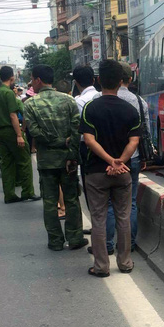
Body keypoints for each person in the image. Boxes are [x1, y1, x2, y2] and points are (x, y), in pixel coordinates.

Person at [80, 60, 141, 277]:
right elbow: (134, 142)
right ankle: (125, 263)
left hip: (96, 173)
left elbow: (88, 140)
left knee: (98, 219)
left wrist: (108, 160)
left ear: (98, 81)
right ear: (121, 82)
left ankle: (101, 267)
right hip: (123, 174)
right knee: (123, 217)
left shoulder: (90, 108)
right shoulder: (130, 110)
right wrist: (120, 161)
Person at [24, 64, 87, 251]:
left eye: (32, 79)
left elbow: (34, 132)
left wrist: (55, 141)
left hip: (46, 161)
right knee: (72, 200)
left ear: (38, 80)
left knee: (50, 202)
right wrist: (70, 151)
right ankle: (75, 238)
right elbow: (77, 130)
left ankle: (55, 241)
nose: (31, 84)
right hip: (68, 158)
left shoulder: (30, 104)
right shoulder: (68, 101)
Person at [0, 66, 39, 204]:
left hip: (0, 133)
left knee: (6, 164)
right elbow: (13, 115)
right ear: (12, 77)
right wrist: (19, 135)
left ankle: (9, 194)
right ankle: (27, 192)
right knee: (24, 161)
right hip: (11, 131)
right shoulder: (8, 94)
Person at [72, 65, 97, 223]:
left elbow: (77, 131)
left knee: (92, 191)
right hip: (111, 148)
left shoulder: (79, 102)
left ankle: (98, 227)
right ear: (94, 80)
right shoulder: (102, 96)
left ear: (76, 82)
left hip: (87, 149)